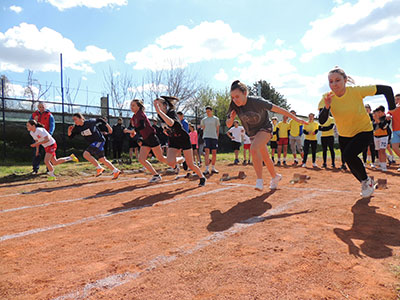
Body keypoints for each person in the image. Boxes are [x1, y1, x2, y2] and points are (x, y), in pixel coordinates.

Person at [318, 66, 396, 198]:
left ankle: (366, 181)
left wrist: (392, 108)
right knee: (349, 160)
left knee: (349, 155)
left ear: (345, 80)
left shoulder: (356, 91)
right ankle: (366, 181)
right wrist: (327, 107)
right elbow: (321, 120)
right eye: (331, 81)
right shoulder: (326, 97)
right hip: (344, 134)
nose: (334, 84)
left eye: (337, 80)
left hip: (363, 130)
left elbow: (387, 89)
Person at [227, 80, 307, 191]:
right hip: (253, 133)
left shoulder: (257, 102)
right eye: (232, 97)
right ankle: (275, 177)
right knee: (265, 157)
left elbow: (278, 109)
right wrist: (231, 119)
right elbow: (228, 124)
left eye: (237, 96)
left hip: (266, 128)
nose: (235, 100)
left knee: (254, 149)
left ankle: (259, 180)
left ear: (245, 93)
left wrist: (295, 118)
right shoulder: (234, 105)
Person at [154, 96, 206, 186]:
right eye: (156, 105)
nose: (157, 107)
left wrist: (159, 112)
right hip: (173, 139)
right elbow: (167, 126)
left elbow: (171, 123)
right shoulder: (160, 116)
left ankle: (202, 177)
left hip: (183, 138)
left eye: (159, 105)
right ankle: (183, 159)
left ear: (165, 105)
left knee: (190, 165)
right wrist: (165, 130)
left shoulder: (171, 112)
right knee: (170, 162)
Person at [127, 99, 182, 182]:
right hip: (145, 139)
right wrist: (134, 132)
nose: (131, 107)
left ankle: (178, 162)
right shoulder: (134, 117)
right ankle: (156, 175)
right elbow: (139, 129)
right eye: (131, 105)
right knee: (141, 159)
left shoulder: (140, 114)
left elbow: (142, 126)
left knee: (161, 158)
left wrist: (131, 131)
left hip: (152, 138)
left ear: (139, 106)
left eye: (133, 105)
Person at [68, 113, 121, 179]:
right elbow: (71, 137)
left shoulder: (89, 122)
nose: (74, 121)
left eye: (75, 119)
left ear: (81, 118)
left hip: (99, 140)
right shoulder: (77, 128)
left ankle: (99, 168)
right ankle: (116, 171)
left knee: (86, 154)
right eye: (73, 120)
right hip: (93, 143)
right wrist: (69, 131)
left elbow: (100, 120)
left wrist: (109, 127)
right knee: (102, 159)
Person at [30, 102, 55, 174]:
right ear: (38, 107)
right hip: (37, 137)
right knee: (36, 152)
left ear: (45, 107)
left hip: (46, 137)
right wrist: (35, 120)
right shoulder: (34, 114)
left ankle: (49, 169)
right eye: (40, 107)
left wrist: (49, 135)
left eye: (43, 107)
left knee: (48, 153)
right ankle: (35, 169)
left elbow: (52, 126)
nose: (41, 108)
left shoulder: (49, 115)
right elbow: (30, 124)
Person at [201, 106, 220, 175]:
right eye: (206, 112)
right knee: (206, 152)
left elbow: (217, 129)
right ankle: (206, 169)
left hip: (214, 137)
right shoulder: (204, 120)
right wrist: (204, 136)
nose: (207, 113)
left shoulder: (216, 119)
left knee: (214, 153)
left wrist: (216, 137)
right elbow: (203, 129)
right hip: (206, 137)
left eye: (209, 111)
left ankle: (213, 168)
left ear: (211, 111)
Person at [372, 106, 391, 172]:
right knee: (379, 151)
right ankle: (381, 164)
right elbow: (374, 127)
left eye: (379, 112)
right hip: (376, 136)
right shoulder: (375, 119)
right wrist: (375, 120)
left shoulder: (386, 118)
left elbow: (383, 127)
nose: (378, 114)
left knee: (382, 151)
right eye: (377, 112)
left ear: (383, 112)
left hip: (383, 136)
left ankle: (384, 166)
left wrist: (377, 120)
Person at [388, 93, 400, 171]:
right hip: (395, 130)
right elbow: (388, 113)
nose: (397, 100)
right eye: (396, 99)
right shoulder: (392, 108)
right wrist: (388, 115)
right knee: (395, 147)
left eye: (398, 99)